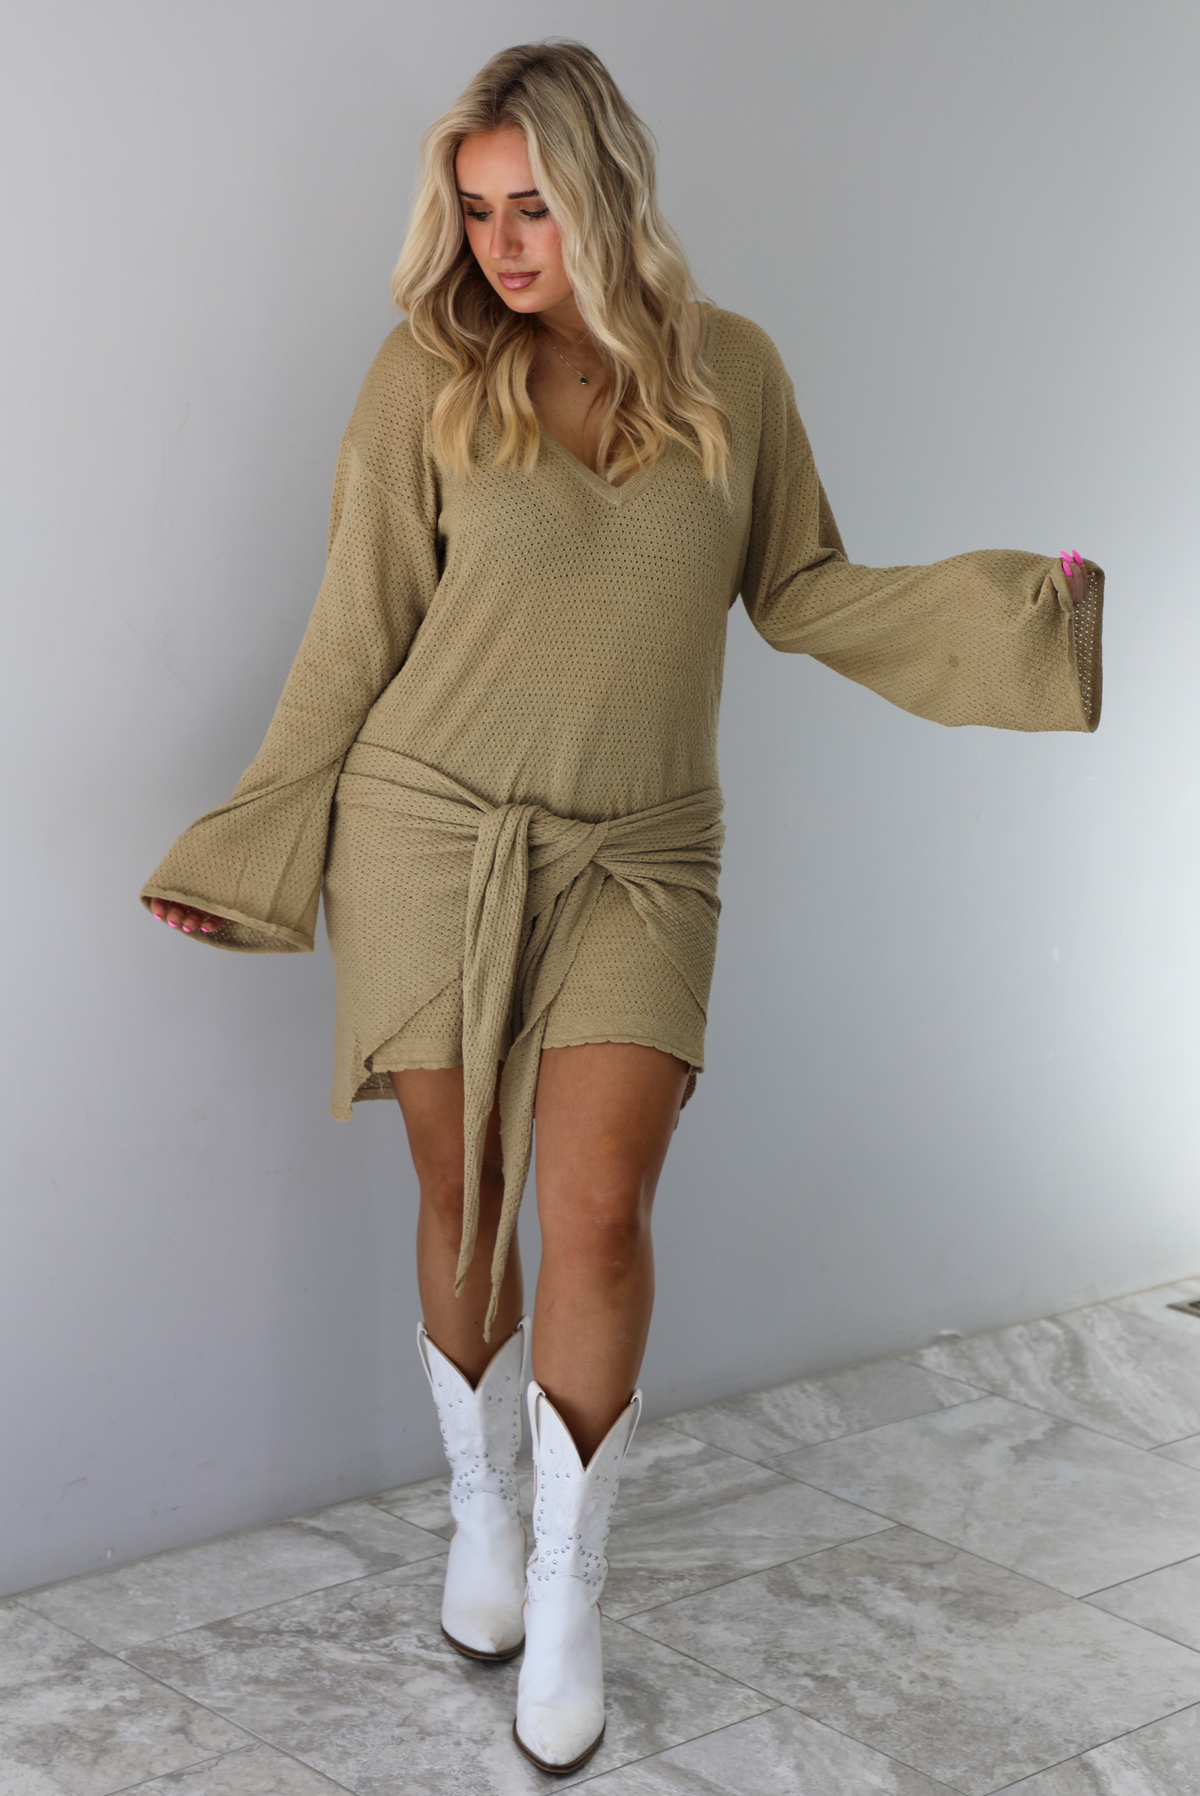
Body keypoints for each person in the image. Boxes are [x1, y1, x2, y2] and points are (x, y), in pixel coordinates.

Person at [141, 39, 1102, 1776]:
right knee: (463, 1193)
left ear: (603, 190)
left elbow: (803, 589)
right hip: (426, 830)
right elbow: (354, 637)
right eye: (475, 208)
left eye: (530, 204)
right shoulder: (422, 376)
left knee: (593, 1209)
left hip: (643, 855)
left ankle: (572, 1591)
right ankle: (485, 1522)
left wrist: (1020, 612)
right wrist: (252, 847)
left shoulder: (733, 373)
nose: (503, 243)